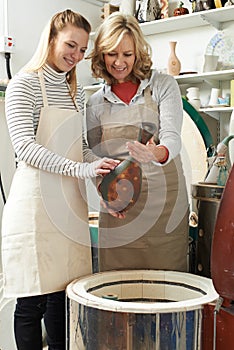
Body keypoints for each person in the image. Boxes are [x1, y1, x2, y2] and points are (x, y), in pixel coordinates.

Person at [1, 9, 119, 350]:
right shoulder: (23, 84)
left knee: (61, 297)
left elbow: (78, 147)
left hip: (68, 204)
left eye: (83, 50)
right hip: (36, 204)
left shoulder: (75, 92)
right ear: (51, 38)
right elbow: (25, 148)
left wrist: (102, 167)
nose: (76, 56)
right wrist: (82, 170)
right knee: (32, 300)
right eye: (70, 45)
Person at [86, 12, 189, 273]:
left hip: (164, 205)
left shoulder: (163, 85)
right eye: (112, 54)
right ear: (101, 54)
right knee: (118, 286)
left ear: (138, 53)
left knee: (167, 284)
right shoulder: (96, 102)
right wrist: (103, 190)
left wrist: (157, 152)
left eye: (127, 54)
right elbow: (91, 154)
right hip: (119, 204)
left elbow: (172, 138)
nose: (119, 62)